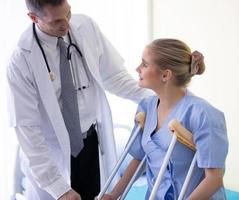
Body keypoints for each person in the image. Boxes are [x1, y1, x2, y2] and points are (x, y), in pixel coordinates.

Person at [6, 0, 152, 199]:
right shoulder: (21, 61)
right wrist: (60, 189)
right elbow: (28, 131)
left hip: (90, 145)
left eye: (68, 13)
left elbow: (114, 77)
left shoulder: (86, 27)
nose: (66, 24)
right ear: (34, 18)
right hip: (52, 155)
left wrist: (160, 99)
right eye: (57, 21)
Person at [102, 39, 229, 200]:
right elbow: (138, 159)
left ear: (165, 75)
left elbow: (214, 179)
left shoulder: (204, 114)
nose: (137, 69)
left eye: (145, 64)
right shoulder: (146, 107)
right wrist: (113, 194)